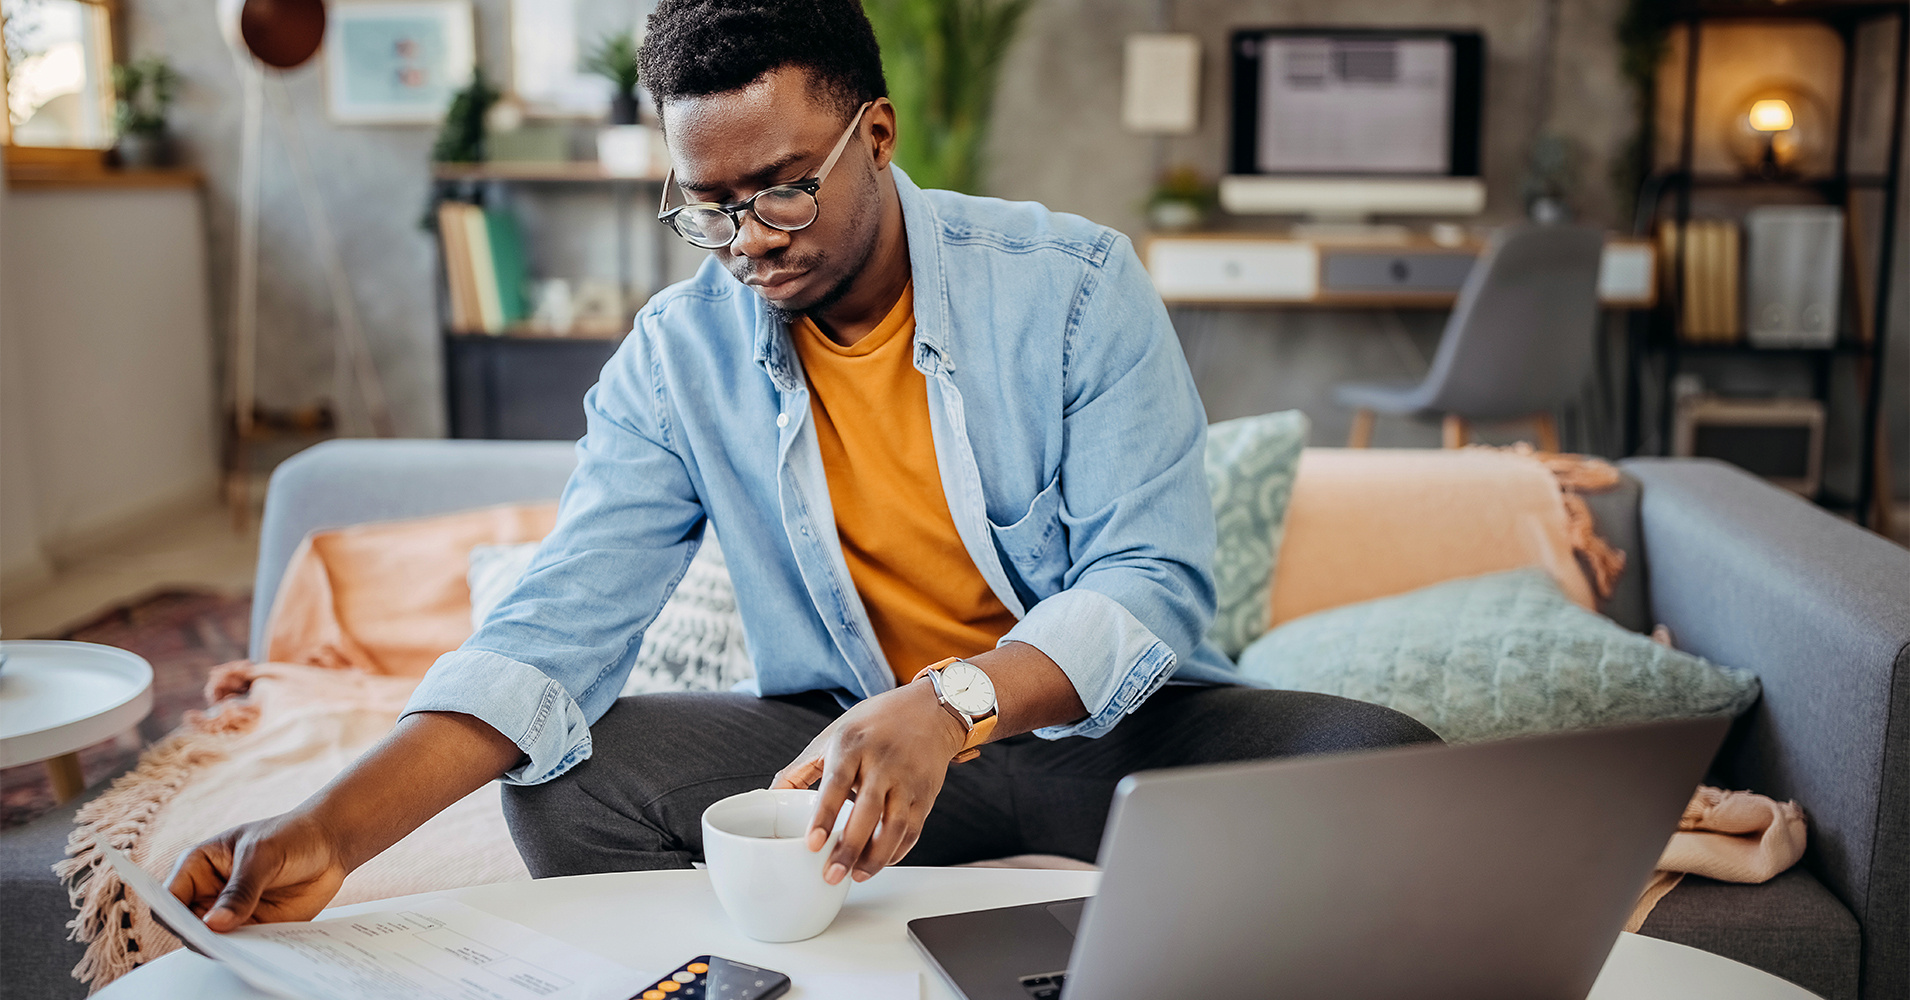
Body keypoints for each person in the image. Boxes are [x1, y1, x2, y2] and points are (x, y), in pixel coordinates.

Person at [168, 0, 1437, 930]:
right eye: (703, 204)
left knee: (1390, 766)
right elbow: (552, 627)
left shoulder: (1072, 287)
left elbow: (1151, 582)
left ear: (875, 134)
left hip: (1094, 739)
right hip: (843, 756)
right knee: (572, 787)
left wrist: (951, 707)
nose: (742, 242)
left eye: (777, 191)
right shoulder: (678, 356)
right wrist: (330, 829)